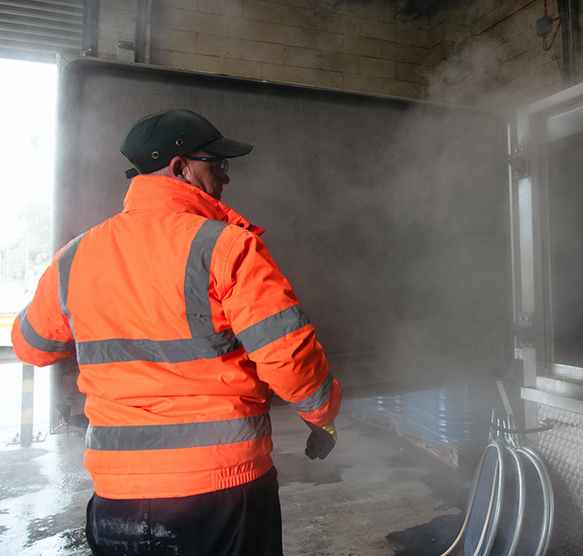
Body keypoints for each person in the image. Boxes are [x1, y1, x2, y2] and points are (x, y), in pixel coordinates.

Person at [12, 108, 340, 556]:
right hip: (221, 491)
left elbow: (31, 347)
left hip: (117, 497)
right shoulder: (226, 245)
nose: (225, 178)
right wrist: (322, 417)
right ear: (179, 167)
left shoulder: (74, 256)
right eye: (218, 165)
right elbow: (287, 357)